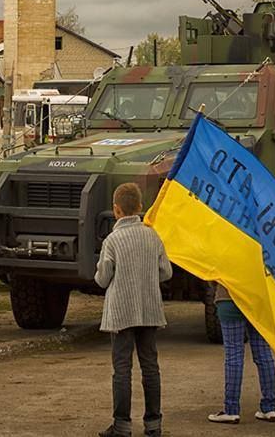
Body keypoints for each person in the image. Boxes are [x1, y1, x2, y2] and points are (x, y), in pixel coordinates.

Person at [94, 183, 171, 437]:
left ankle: (122, 425)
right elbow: (166, 272)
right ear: (140, 207)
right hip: (149, 308)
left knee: (122, 368)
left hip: (121, 312)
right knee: (151, 366)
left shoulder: (112, 240)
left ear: (116, 210)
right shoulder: (153, 236)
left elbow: (103, 279)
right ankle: (153, 425)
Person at [207, 283, 275, 424]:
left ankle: (231, 410)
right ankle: (269, 408)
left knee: (234, 355)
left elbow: (211, 272)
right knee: (263, 353)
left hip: (228, 298)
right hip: (259, 299)